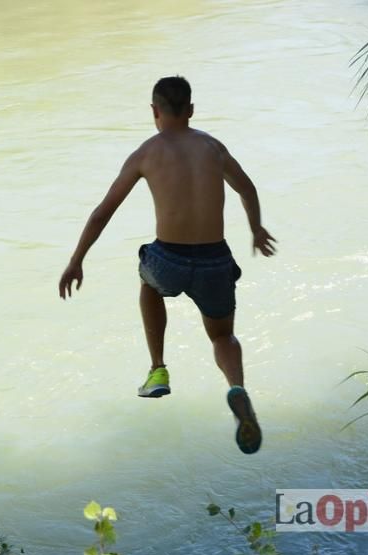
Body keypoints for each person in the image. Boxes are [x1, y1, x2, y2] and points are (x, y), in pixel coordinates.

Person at [57, 76, 276, 454]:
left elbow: (101, 214)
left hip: (169, 259)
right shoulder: (212, 148)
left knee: (148, 281)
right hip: (214, 260)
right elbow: (247, 188)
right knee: (223, 336)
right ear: (191, 110)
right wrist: (256, 229)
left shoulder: (146, 153)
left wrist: (76, 261)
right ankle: (236, 388)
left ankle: (158, 367)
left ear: (155, 112)